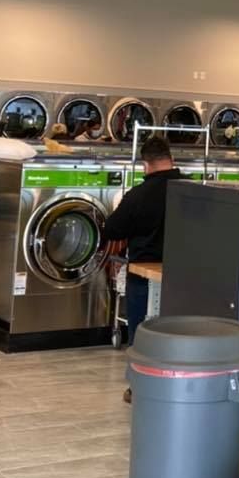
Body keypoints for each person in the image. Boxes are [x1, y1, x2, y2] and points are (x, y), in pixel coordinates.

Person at [102, 136, 183, 344]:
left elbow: (112, 229)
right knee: (175, 334)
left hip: (142, 274)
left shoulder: (138, 195)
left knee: (141, 339)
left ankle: (139, 354)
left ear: (145, 165)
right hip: (181, 274)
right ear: (171, 159)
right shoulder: (191, 190)